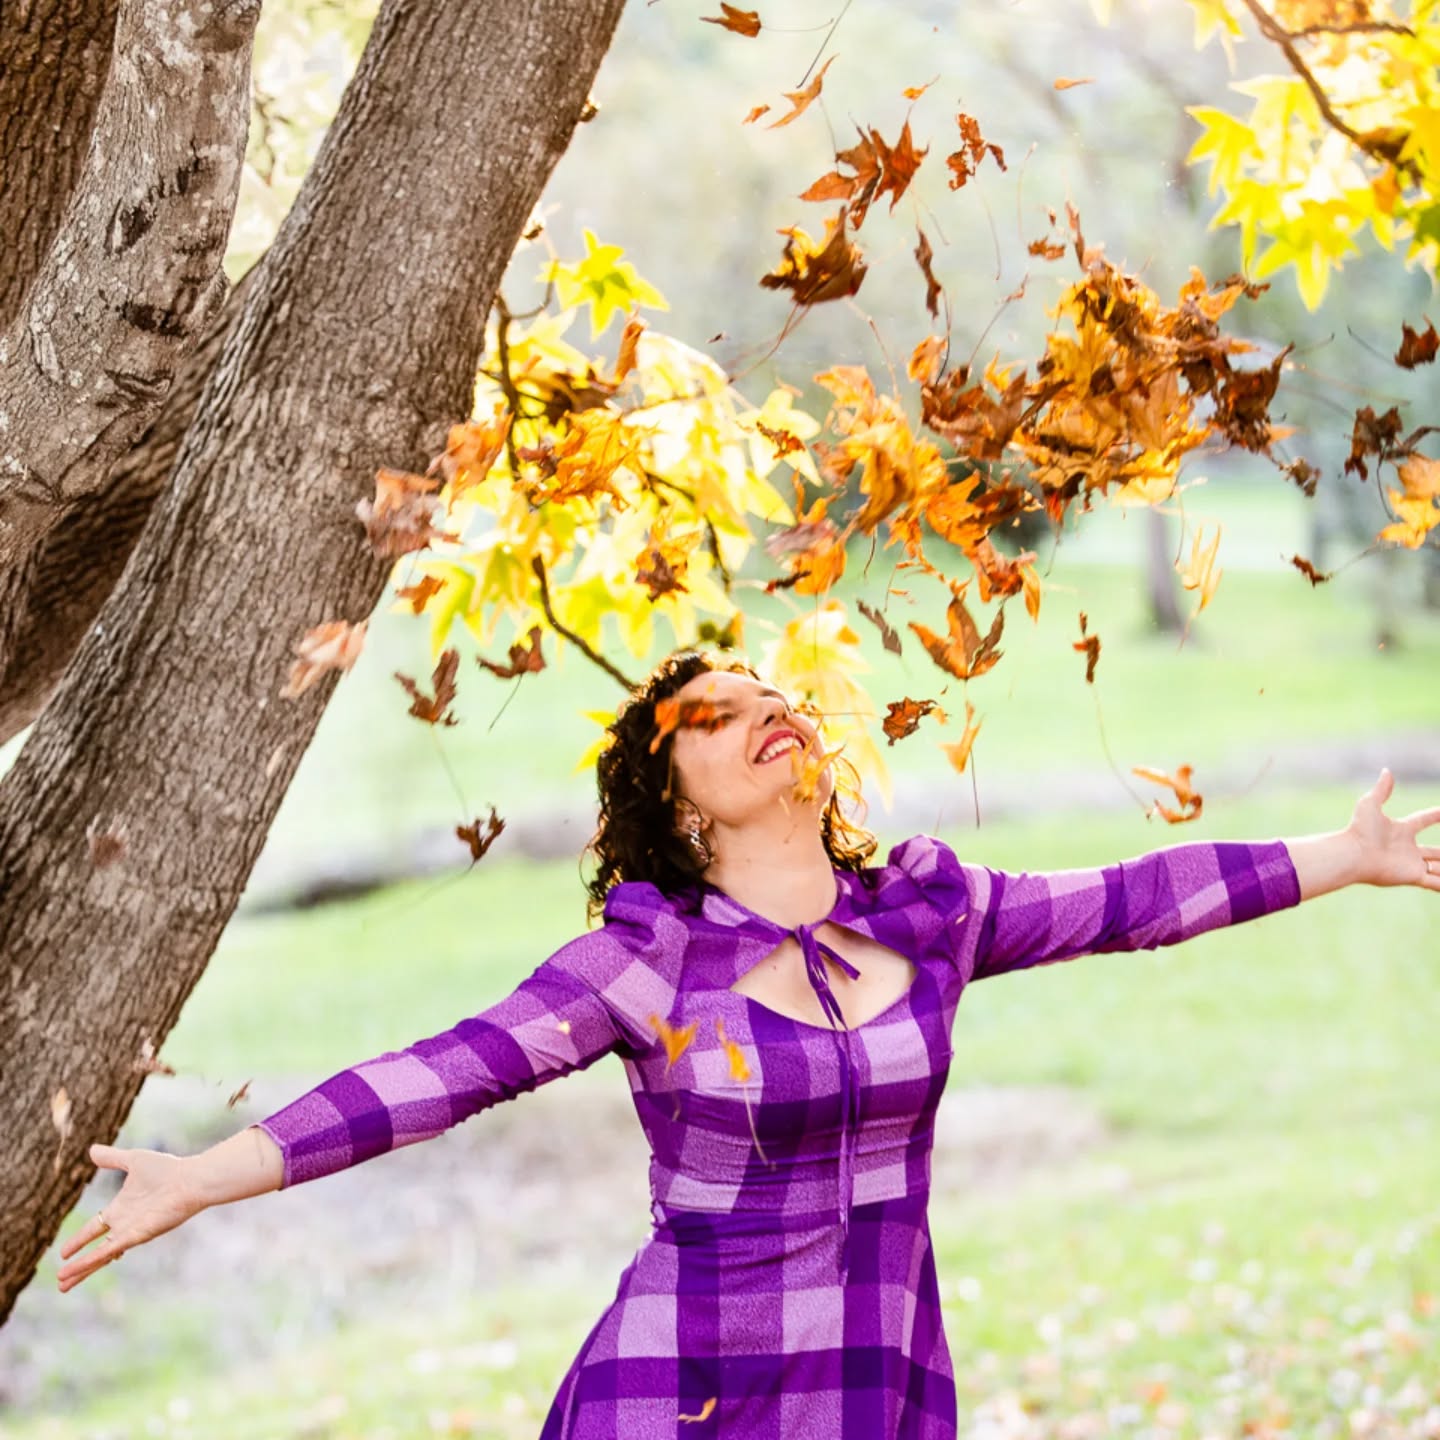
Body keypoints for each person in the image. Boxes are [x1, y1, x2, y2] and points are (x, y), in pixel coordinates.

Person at [57, 648, 1440, 1438]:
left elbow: (1136, 901)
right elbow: (437, 1075)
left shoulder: (931, 914)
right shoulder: (645, 964)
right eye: (712, 716)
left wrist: (1346, 853)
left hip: (871, 1371)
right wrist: (208, 1172)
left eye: (768, 691)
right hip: (684, 1384)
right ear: (679, 801)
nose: (764, 709)